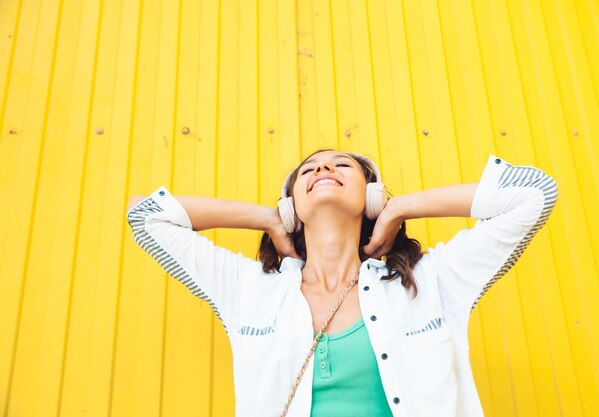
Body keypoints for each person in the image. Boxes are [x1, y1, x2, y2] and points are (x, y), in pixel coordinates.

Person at [126, 148, 558, 417]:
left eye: (341, 165)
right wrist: (262, 218)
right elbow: (144, 215)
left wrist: (399, 207)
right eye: (308, 170)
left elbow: (535, 193)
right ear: (291, 206)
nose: (323, 168)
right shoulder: (249, 289)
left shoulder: (430, 281)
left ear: (371, 195)